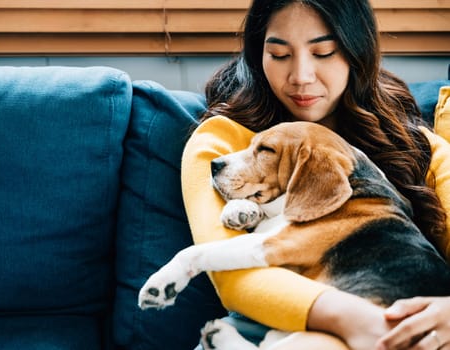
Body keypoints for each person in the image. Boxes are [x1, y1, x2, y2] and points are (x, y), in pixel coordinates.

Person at [181, 0, 450, 349]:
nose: (301, 77)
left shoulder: (415, 145)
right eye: (279, 55)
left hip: (410, 322)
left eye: (323, 52)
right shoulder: (222, 143)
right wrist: (356, 321)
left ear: (357, 52)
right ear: (257, 55)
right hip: (273, 324)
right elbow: (234, 277)